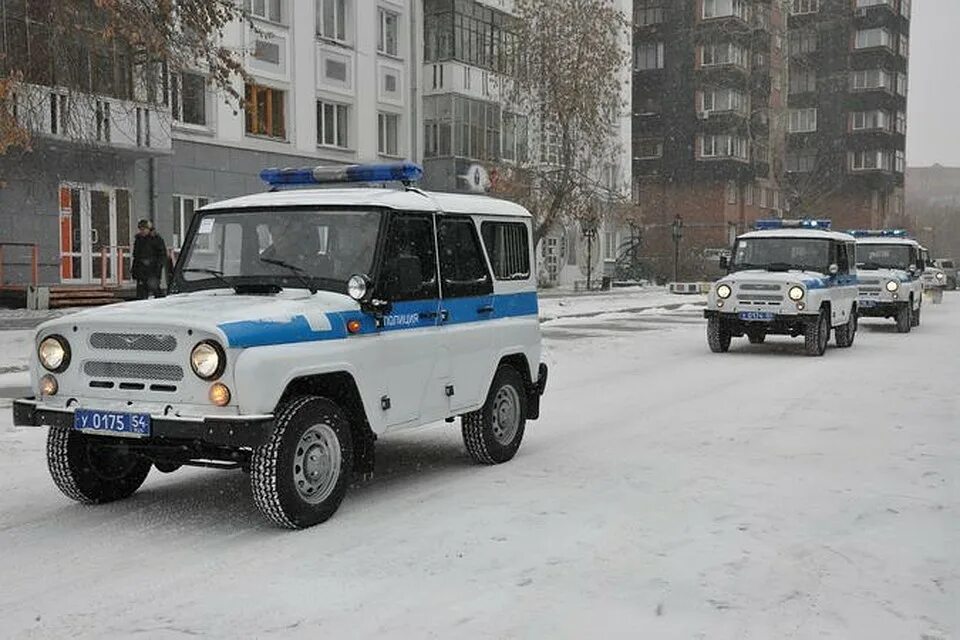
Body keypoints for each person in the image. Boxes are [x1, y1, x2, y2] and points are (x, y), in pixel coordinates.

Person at [132, 219, 168, 299]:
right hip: (141, 270)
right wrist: (134, 271)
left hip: (153, 270)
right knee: (141, 293)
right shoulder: (138, 240)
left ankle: (160, 305)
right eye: (141, 229)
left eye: (144, 229)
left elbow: (162, 255)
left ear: (149, 229)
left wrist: (158, 267)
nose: (142, 231)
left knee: (155, 290)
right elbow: (136, 256)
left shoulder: (156, 239)